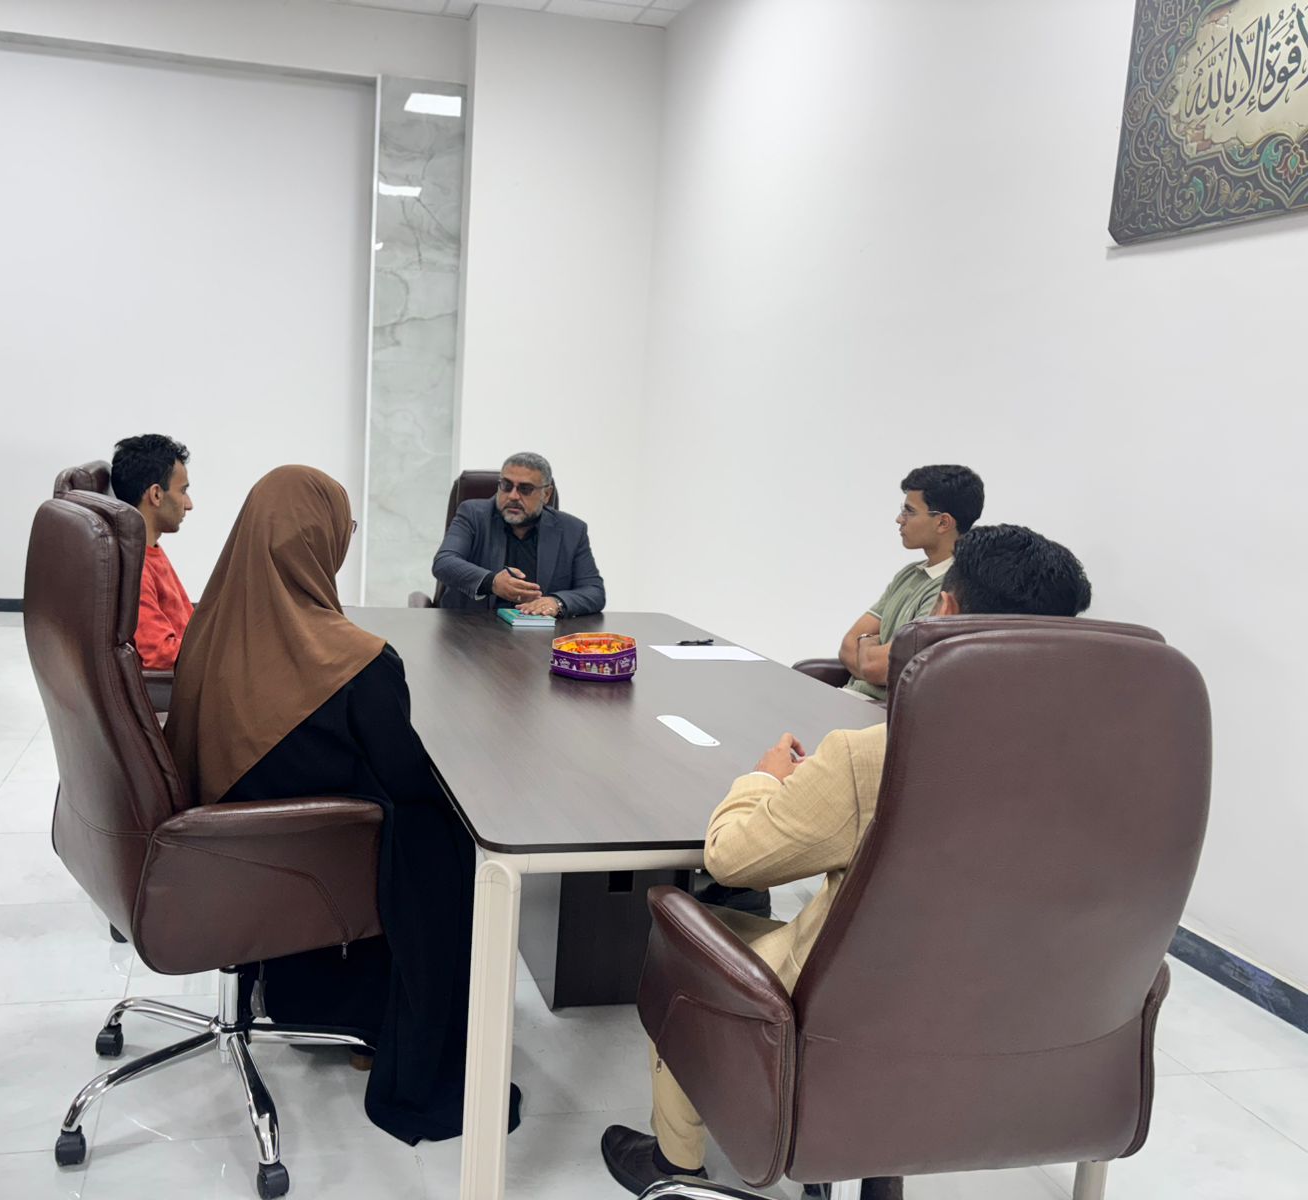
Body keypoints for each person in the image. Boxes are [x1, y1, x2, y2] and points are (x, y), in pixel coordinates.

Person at [600, 524, 1093, 1198]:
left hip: (853, 1012)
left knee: (681, 936)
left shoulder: (878, 756)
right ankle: (875, 1165)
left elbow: (733, 859)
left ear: (945, 610)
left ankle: (675, 1165)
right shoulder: (1104, 765)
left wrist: (767, 778)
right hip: (1021, 1007)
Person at [162, 465, 521, 1145]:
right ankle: (412, 1043)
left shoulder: (209, 627)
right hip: (307, 855)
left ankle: (326, 999)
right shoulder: (354, 662)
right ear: (319, 542)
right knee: (448, 838)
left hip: (222, 850)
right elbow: (407, 777)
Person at [838, 465, 985, 701]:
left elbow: (882, 667)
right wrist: (871, 659)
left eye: (909, 511)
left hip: (881, 711)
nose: (899, 519)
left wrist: (865, 643)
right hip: (847, 698)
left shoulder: (953, 587)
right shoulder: (909, 574)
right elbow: (847, 646)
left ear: (943, 523)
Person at [431, 451, 606, 617]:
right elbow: (444, 562)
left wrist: (557, 602)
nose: (513, 496)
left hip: (536, 630)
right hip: (472, 627)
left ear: (546, 494)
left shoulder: (571, 530)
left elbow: (594, 591)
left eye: (525, 489)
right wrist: (492, 582)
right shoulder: (473, 514)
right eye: (506, 486)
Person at [110, 434, 195, 670]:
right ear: (156, 494)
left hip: (199, 658)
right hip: (194, 679)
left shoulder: (150, 549)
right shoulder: (136, 569)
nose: (189, 504)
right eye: (183, 491)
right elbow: (161, 654)